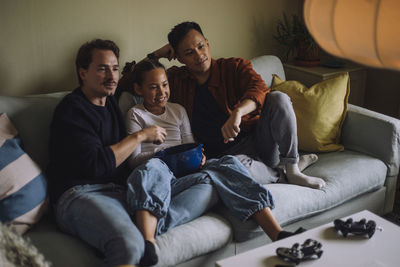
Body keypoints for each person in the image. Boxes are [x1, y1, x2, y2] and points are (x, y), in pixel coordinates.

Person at [46, 39, 217, 267]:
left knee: (208, 183)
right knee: (130, 246)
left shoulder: (111, 104)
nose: (111, 75)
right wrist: (140, 136)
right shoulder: (72, 110)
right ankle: (143, 232)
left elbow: (140, 77)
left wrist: (156, 54)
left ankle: (148, 224)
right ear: (83, 73)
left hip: (118, 191)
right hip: (80, 194)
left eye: (114, 69)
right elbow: (98, 165)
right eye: (102, 68)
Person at [123, 59, 307, 266]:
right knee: (151, 167)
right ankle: (147, 243)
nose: (161, 92)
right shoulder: (136, 114)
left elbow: (190, 144)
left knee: (226, 163)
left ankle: (278, 234)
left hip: (187, 173)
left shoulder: (178, 110)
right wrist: (159, 152)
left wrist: (199, 156)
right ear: (138, 89)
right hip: (159, 171)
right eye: (153, 87)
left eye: (164, 85)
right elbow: (133, 162)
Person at [145, 21, 326, 189]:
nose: (199, 55)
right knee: (231, 169)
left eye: (200, 46)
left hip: (260, 143)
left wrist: (238, 112)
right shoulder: (176, 80)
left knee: (279, 98)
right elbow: (132, 82)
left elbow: (260, 89)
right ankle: (281, 173)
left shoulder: (233, 67)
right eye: (189, 53)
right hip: (224, 158)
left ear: (207, 43)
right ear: (179, 58)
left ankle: (292, 170)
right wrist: (155, 55)